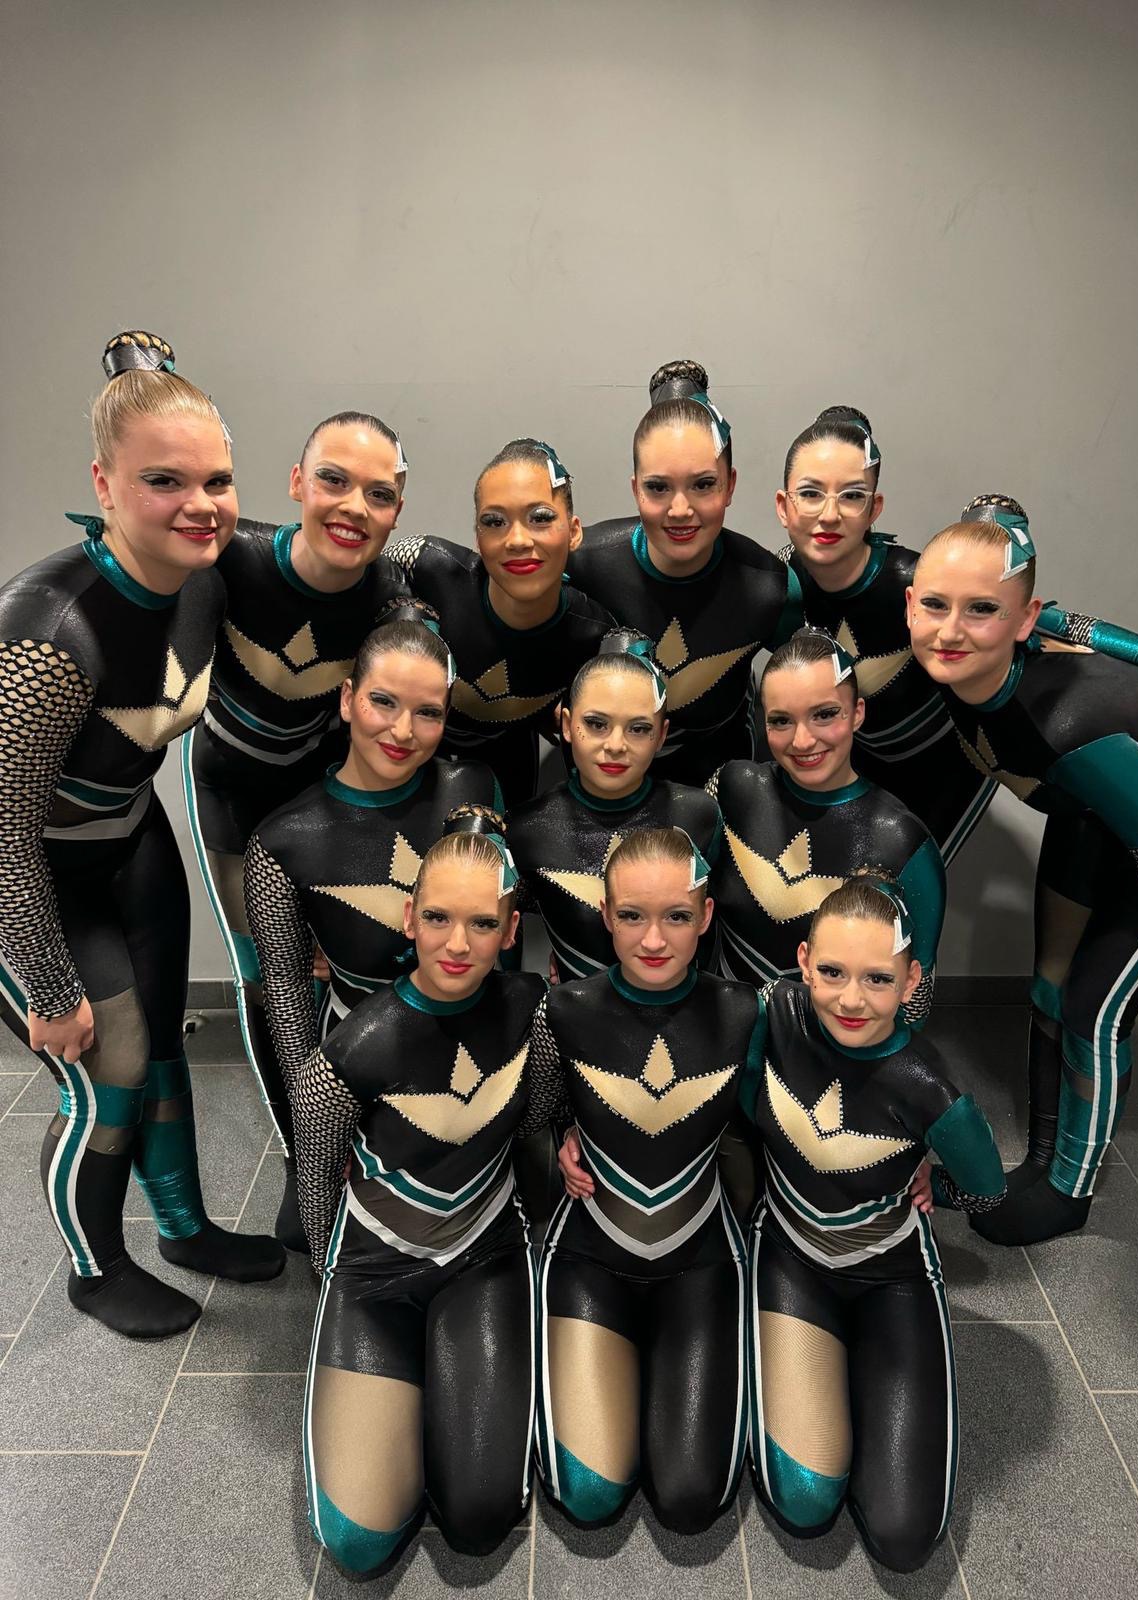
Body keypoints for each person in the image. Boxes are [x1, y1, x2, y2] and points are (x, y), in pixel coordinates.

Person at [0, 331, 283, 1339]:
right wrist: (47, 984)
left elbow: (331, 551)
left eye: (217, 480)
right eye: (164, 481)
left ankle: (184, 1228)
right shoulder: (48, 629)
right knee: (108, 1065)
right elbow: (2, 836)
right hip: (30, 871)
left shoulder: (206, 571)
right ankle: (94, 1267)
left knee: (163, 1044)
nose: (200, 504)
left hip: (130, 841)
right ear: (104, 485)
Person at [906, 510, 1138, 1244]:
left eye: (982, 611)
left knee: (1095, 1007)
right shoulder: (977, 649)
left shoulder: (1070, 725)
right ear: (911, 603)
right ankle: (1042, 1159)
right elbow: (1074, 620)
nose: (951, 629)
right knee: (1050, 982)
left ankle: (1071, 1190)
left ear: (1021, 619)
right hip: (1093, 812)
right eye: (935, 604)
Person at [292, 808, 561, 1576]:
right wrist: (334, 1278)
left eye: (483, 923)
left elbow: (537, 1120)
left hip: (483, 1261)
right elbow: (316, 1183)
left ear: (511, 931)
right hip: (375, 1276)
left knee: (479, 1518)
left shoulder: (533, 1014)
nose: (457, 943)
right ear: (408, 917)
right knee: (357, 1542)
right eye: (438, 918)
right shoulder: (350, 1051)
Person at [182, 409, 411, 1249]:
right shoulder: (233, 558)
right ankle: (299, 1158)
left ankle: (356, 1144)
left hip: (317, 801)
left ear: (396, 510)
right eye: (333, 481)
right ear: (295, 483)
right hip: (230, 801)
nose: (353, 507)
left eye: (378, 494)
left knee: (331, 971)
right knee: (266, 983)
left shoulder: (388, 595)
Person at [775, 409, 1138, 859]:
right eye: (811, 493)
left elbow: (1044, 619)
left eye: (852, 496)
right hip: (859, 764)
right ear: (784, 506)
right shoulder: (781, 581)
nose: (829, 514)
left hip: (948, 765)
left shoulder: (923, 580)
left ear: (874, 508)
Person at [745, 876, 1004, 1571]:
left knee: (904, 1535)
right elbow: (734, 1097)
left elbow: (989, 1190)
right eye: (832, 972)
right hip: (792, 1258)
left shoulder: (930, 1088)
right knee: (805, 1500)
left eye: (878, 979)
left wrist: (935, 1187)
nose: (852, 999)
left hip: (893, 1273)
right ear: (803, 962)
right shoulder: (774, 1012)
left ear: (911, 979)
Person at [536, 828, 761, 1532]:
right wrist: (562, 1143)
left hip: (701, 1259)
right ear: (605, 915)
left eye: (677, 916)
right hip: (590, 1257)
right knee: (589, 1496)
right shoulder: (563, 1010)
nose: (654, 939)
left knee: (690, 1499)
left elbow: (794, 1113)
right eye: (632, 915)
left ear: (707, 916)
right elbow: (533, 1115)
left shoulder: (746, 1011)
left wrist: (913, 1160)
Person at [243, 604, 499, 1096]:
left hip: (480, 1051)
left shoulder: (475, 788)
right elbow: (288, 1001)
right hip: (360, 1064)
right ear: (347, 699)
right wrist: (315, 1110)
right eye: (383, 702)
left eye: (428, 712)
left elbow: (506, 914)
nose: (402, 731)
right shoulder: (282, 842)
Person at [568, 361, 805, 785]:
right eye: (658, 487)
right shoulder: (583, 565)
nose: (680, 510)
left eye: (703, 484)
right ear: (635, 488)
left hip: (719, 781)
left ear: (730, 485)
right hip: (602, 788)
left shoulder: (769, 587)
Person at [708, 628, 945, 1026]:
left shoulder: (903, 841)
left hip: (834, 1053)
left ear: (857, 713)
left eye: (824, 714)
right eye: (781, 720)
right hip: (727, 1039)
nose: (802, 741)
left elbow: (913, 1003)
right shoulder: (730, 791)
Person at [386, 439, 614, 804]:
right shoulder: (425, 565)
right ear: (477, 537)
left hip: (507, 774)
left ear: (573, 532)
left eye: (540, 518)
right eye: (495, 522)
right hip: (397, 762)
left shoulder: (594, 634)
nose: (517, 540)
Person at [505, 628, 721, 981]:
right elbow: (499, 938)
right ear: (567, 725)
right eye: (596, 724)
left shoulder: (698, 815)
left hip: (681, 1009)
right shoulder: (527, 829)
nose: (616, 745)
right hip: (575, 1011)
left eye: (638, 729)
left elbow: (718, 931)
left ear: (661, 734)